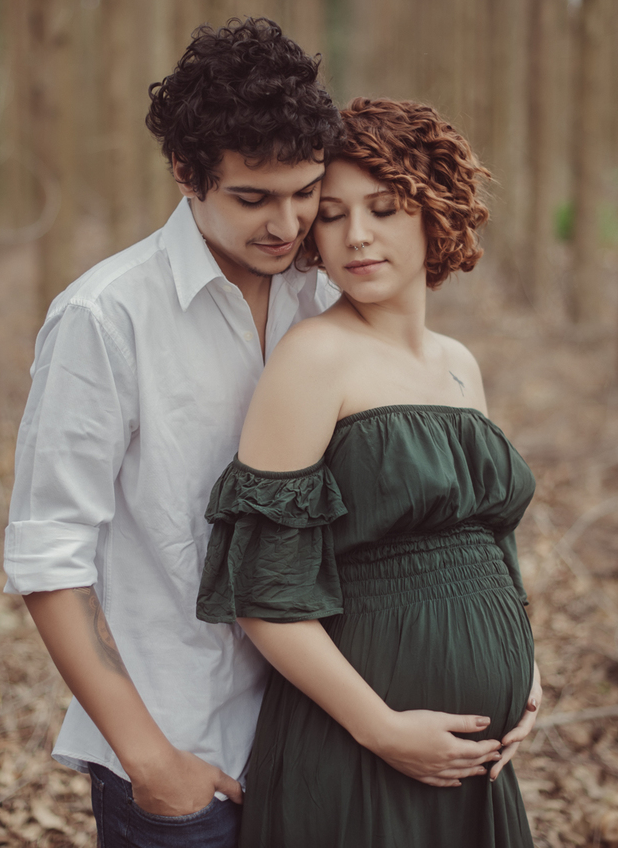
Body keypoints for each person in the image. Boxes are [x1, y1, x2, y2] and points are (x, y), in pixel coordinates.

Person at [4, 21, 495, 848]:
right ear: (187, 174)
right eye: (253, 198)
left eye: (305, 192)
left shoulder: (326, 291)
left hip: (320, 741)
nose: (288, 223)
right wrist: (150, 760)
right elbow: (50, 557)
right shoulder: (105, 317)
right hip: (183, 753)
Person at [197, 98, 544, 847]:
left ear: (434, 212)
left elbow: (490, 539)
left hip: (475, 759)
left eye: (385, 208)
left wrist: (527, 670)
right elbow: (261, 593)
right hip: (360, 742)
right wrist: (381, 728)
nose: (357, 235)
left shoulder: (459, 364)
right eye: (333, 214)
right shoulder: (314, 358)